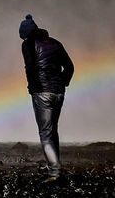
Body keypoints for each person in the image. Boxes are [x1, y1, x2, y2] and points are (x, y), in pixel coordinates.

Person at [19, 14, 74, 180]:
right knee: (53, 130)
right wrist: (63, 83)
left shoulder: (28, 45)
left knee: (45, 133)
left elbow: (29, 68)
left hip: (42, 92)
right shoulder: (56, 43)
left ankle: (54, 172)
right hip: (58, 92)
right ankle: (55, 166)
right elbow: (70, 67)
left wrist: (32, 88)